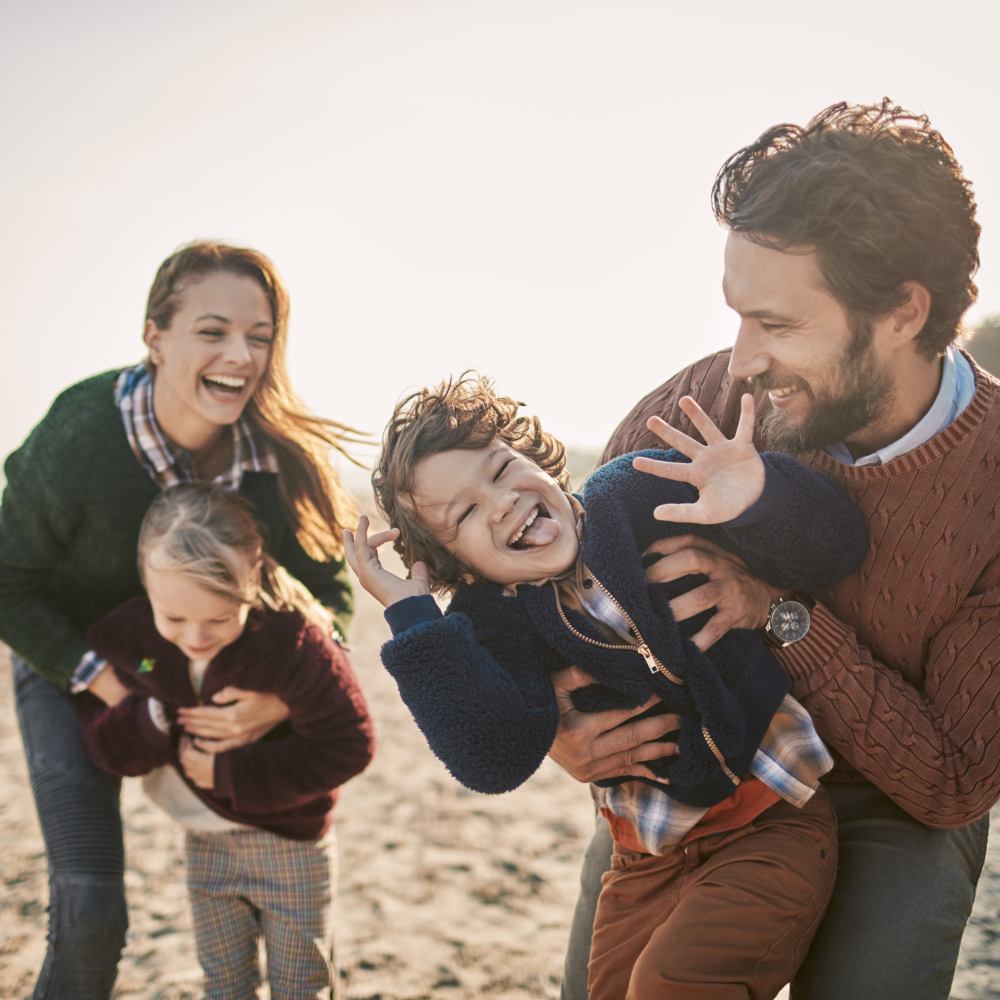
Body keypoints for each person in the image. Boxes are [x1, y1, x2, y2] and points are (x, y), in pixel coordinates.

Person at [556, 98, 1000, 1000]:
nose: (743, 358)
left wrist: (780, 615)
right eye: (739, 314)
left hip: (897, 795)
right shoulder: (698, 406)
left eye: (779, 325)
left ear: (903, 313)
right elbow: (563, 587)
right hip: (706, 761)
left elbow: (951, 781)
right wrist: (560, 719)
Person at [346, 373, 868, 998]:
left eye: (500, 468)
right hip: (644, 854)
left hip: (768, 817)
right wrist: (414, 619)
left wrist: (757, 492)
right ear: (458, 568)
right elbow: (492, 758)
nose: (501, 502)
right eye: (465, 513)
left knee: (671, 985)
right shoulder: (493, 621)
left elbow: (839, 544)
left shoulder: (631, 495)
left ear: (534, 457)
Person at [0, 240, 360, 999]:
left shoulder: (276, 460)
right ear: (154, 336)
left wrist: (277, 699)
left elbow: (330, 593)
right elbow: (8, 581)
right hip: (75, 662)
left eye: (259, 336)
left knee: (283, 930)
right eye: (213, 330)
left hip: (200, 672)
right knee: (92, 905)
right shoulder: (82, 432)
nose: (241, 354)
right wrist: (111, 688)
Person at [78, 483, 374, 998]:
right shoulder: (134, 640)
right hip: (204, 843)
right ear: (145, 584)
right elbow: (104, 745)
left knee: (301, 984)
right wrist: (147, 718)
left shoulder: (294, 642)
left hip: (295, 846)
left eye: (218, 618)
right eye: (173, 617)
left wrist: (230, 774)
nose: (194, 636)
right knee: (223, 983)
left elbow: (351, 741)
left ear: (252, 579)